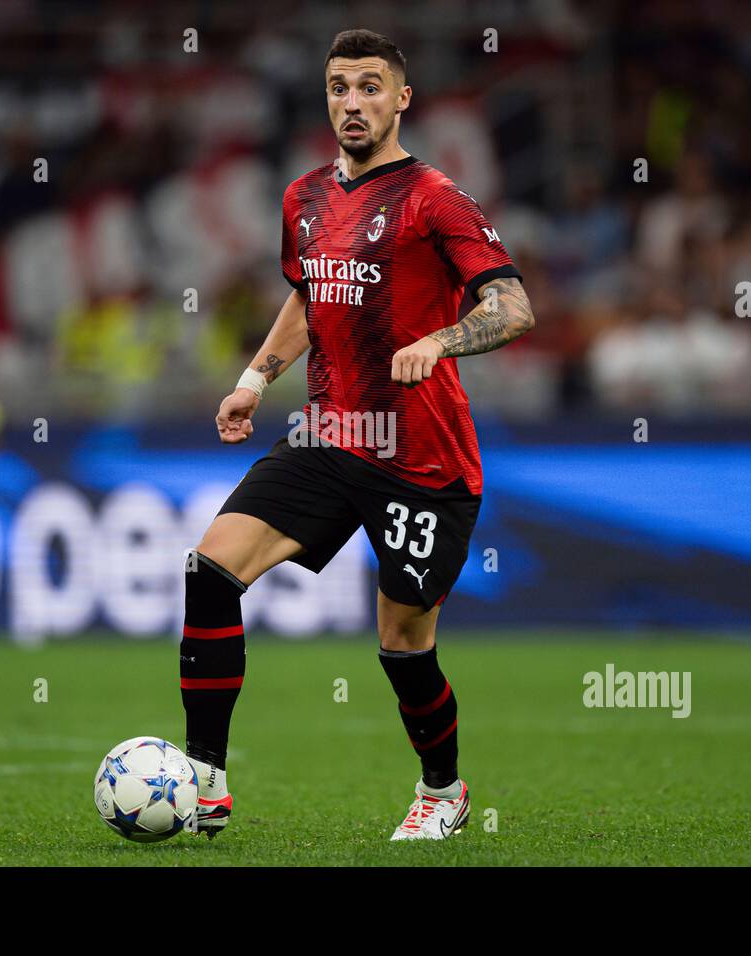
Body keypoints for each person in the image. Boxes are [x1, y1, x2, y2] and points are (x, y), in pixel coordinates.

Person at [180, 28, 535, 841]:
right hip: (332, 436)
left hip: (424, 460)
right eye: (340, 87)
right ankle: (203, 782)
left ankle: (442, 790)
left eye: (371, 86)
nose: (353, 102)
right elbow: (311, 297)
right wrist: (252, 379)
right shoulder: (302, 199)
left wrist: (437, 341)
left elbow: (512, 307)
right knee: (210, 570)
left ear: (402, 99)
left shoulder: (433, 197)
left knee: (403, 644)